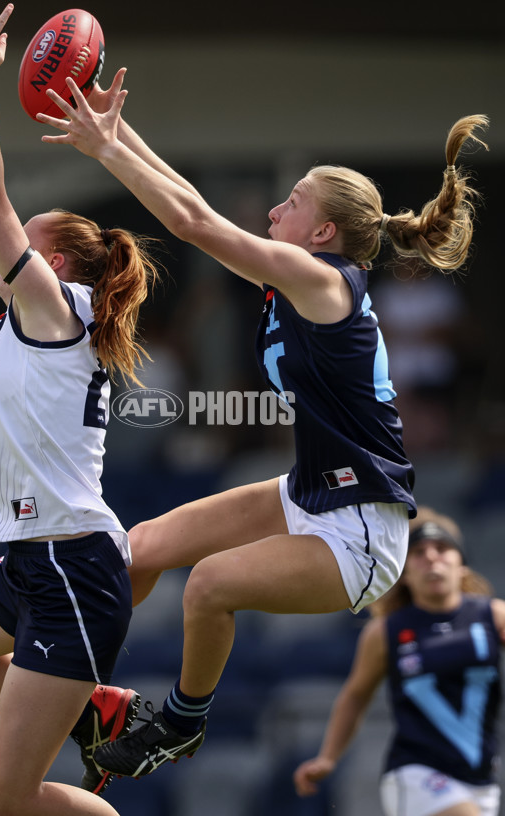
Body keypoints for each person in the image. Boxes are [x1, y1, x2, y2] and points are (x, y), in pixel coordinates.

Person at [37, 68, 489, 782]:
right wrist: (114, 131)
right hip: (312, 490)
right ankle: (78, 690)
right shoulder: (294, 276)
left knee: (210, 584)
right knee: (139, 548)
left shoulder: (323, 279)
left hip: (361, 531)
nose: (276, 210)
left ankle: (180, 727)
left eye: (292, 201)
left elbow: (191, 223)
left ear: (325, 231)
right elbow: (194, 207)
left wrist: (104, 151)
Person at [0, 2, 165, 812]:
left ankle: (80, 705)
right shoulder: (19, 325)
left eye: (26, 231)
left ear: (51, 261)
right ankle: (90, 705)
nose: (7, 233)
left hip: (73, 568)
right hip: (30, 561)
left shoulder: (55, 308)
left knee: (5, 796)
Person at [293, 506, 505, 816]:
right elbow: (355, 694)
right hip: (417, 774)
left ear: (462, 566)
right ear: (404, 574)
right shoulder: (385, 631)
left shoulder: (493, 616)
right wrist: (328, 757)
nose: (432, 557)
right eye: (419, 552)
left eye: (443, 549)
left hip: (482, 778)